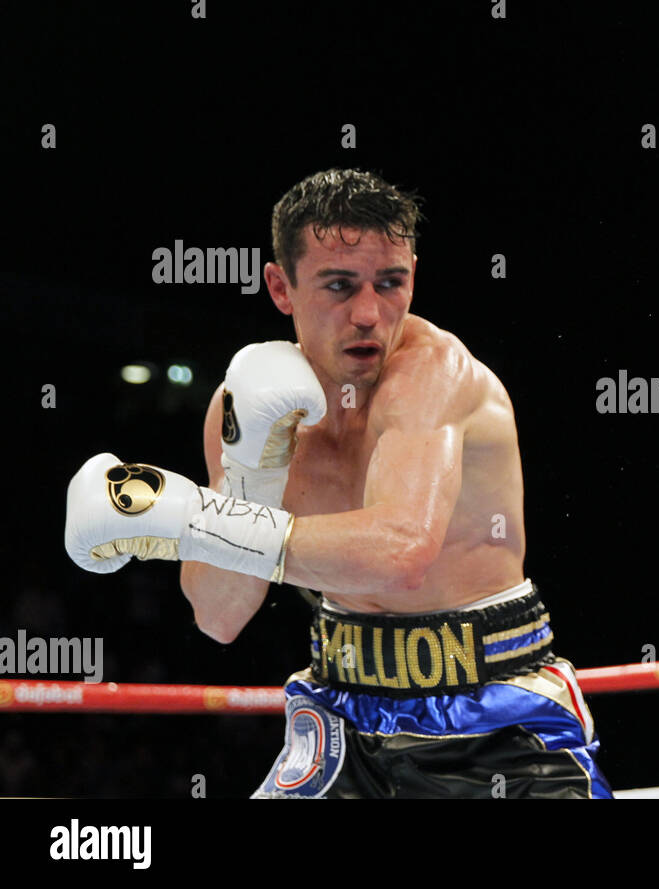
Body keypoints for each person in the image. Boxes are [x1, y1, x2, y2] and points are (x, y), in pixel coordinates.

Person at [65, 168, 611, 798]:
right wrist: (249, 476)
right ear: (281, 286)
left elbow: (402, 553)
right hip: (341, 718)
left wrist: (189, 520)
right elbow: (218, 615)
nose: (369, 313)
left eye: (391, 283)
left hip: (493, 721)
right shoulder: (245, 409)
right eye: (340, 285)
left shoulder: (435, 375)